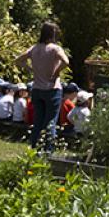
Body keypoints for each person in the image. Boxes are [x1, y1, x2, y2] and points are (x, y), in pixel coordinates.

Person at [14, 21, 70, 150]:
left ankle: (34, 148)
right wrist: (56, 72)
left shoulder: (34, 48)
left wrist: (31, 69)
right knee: (50, 121)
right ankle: (47, 151)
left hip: (37, 89)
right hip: (52, 89)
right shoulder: (55, 49)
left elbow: (18, 60)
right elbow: (66, 62)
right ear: (53, 34)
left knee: (38, 121)